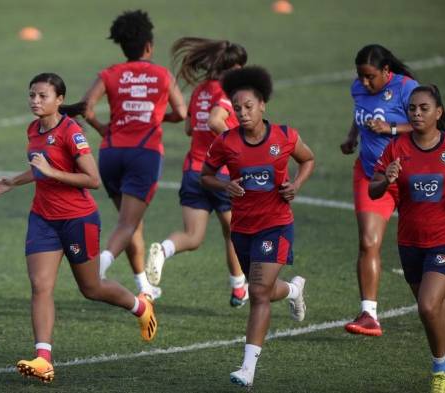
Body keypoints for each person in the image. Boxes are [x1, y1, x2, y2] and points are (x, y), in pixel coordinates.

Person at [0, 73, 157, 383]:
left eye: (42, 96)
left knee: (91, 288)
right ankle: (43, 359)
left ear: (59, 100)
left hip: (78, 220)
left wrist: (51, 171)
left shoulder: (72, 132)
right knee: (40, 285)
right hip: (43, 219)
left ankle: (140, 305)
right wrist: (13, 181)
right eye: (32, 95)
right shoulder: (33, 129)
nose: (35, 101)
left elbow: (92, 180)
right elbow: (40, 168)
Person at [201, 66, 314, 388]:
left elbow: (308, 159)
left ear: (263, 104)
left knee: (259, 293)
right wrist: (225, 185)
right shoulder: (226, 142)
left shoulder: (285, 136)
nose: (243, 113)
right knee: (261, 288)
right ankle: (293, 290)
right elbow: (205, 176)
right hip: (243, 228)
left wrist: (296, 184)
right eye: (237, 108)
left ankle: (247, 368)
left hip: (275, 225)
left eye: (249, 106)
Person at [82, 10, 187, 299]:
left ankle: (144, 286)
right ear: (149, 46)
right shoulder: (162, 75)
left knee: (131, 223)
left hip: (111, 154)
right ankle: (100, 266)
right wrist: (157, 118)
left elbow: (86, 108)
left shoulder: (110, 74)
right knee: (128, 223)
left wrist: (102, 127)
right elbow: (182, 112)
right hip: (144, 154)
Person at [145, 37, 250, 307]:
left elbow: (191, 128)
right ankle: (239, 287)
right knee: (234, 232)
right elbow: (215, 121)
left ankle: (164, 250)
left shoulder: (201, 90)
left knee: (192, 236)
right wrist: (238, 144)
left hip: (194, 170)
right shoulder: (226, 92)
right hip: (223, 174)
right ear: (232, 68)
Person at [369, 85, 445, 393]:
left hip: (442, 241)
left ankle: (439, 368)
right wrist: (385, 178)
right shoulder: (396, 148)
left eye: (424, 108)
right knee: (436, 311)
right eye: (412, 108)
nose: (416, 113)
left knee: (428, 307)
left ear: (438, 114)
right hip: (410, 243)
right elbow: (373, 190)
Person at [340, 44, 418, 336]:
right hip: (372, 174)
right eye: (360, 76)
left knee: (423, 247)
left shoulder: (408, 89)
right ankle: (368, 314)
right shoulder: (359, 89)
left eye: (370, 76)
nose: (364, 82)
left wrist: (392, 129)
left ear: (387, 72)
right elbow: (360, 113)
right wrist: (352, 137)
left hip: (411, 176)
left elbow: (429, 122)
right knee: (368, 241)